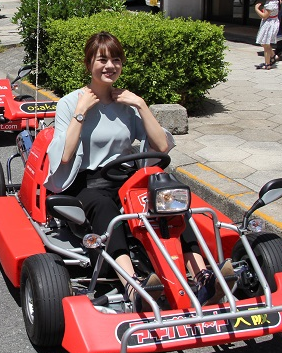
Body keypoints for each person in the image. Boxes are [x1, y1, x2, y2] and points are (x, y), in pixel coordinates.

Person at [44, 32, 232, 310]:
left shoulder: (127, 104)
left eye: (116, 60)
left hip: (126, 178)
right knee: (106, 210)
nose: (110, 66)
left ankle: (202, 276)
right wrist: (81, 112)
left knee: (170, 202)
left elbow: (161, 146)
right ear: (89, 64)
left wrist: (141, 105)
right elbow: (65, 155)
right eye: (102, 59)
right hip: (87, 182)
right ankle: (134, 286)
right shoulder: (71, 103)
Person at [254, 0, 281, 70]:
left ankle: (267, 63)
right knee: (264, 43)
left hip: (269, 24)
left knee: (265, 44)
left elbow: (264, 16)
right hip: (271, 23)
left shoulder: (271, 4)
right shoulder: (276, 1)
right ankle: (273, 56)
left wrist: (256, 9)